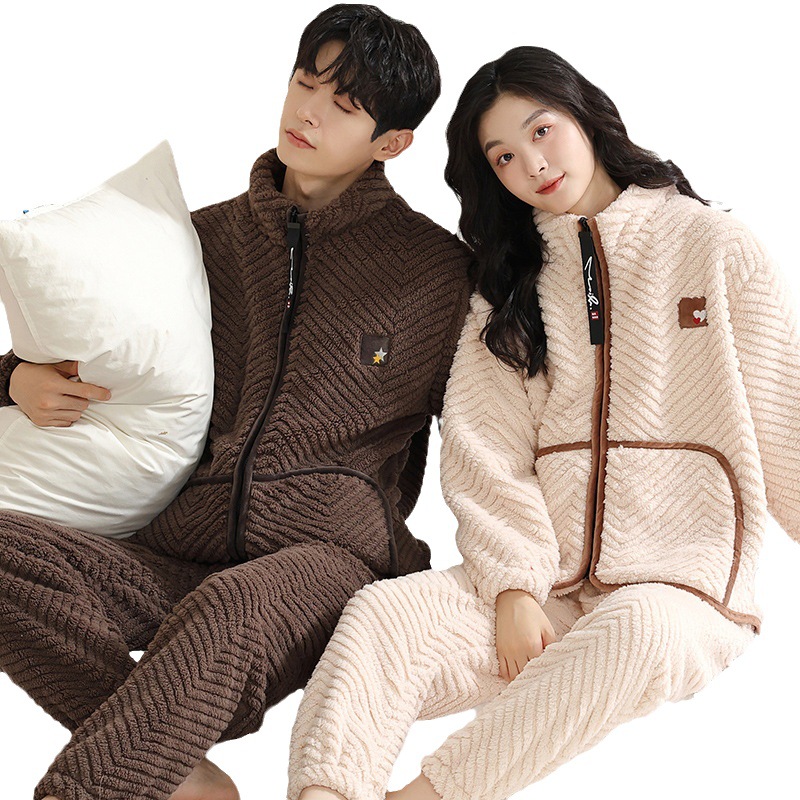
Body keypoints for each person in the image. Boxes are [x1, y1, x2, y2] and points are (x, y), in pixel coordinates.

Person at [285, 45, 800, 800]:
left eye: (541, 130)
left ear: (583, 113)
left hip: (682, 592)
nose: (531, 164)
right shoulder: (508, 288)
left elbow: (787, 417)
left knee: (633, 628)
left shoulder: (715, 248)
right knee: (383, 615)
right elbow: (485, 447)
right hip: (543, 582)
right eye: (502, 156)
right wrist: (513, 589)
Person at [0, 6, 472, 800]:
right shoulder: (197, 240)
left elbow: (496, 430)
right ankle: (182, 772)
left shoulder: (437, 273)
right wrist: (16, 379)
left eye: (342, 105)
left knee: (228, 610)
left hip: (328, 558)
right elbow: (93, 345)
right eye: (304, 83)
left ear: (392, 143)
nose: (307, 112)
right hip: (177, 543)